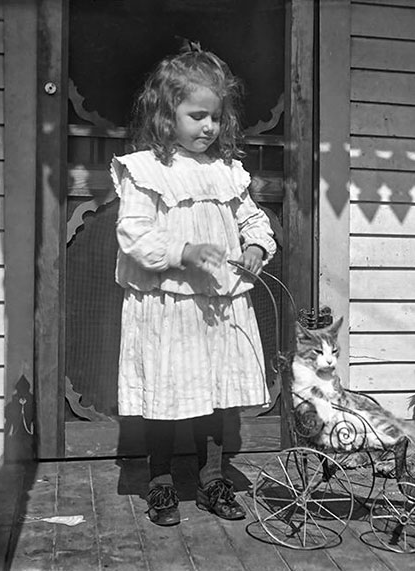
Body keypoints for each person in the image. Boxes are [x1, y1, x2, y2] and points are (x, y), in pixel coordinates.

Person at [110, 44, 276, 526]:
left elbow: (254, 220)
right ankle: (160, 481)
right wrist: (183, 252)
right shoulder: (147, 170)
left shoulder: (227, 172)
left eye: (215, 118)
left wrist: (254, 248)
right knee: (167, 395)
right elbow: (135, 235)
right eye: (196, 115)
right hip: (169, 303)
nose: (208, 127)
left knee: (213, 396)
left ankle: (212, 478)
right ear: (167, 116)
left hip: (217, 305)